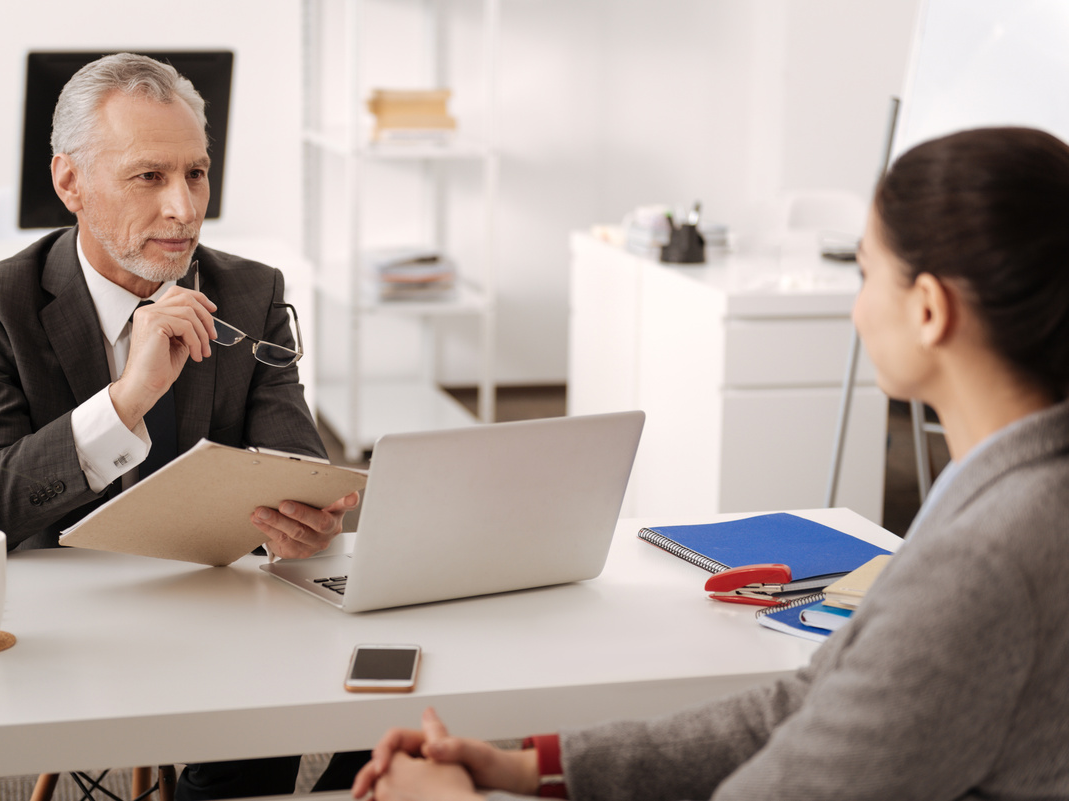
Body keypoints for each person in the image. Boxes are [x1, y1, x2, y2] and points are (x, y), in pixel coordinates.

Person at [351, 126, 1069, 801]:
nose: (854, 309)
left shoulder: (983, 562)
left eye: (864, 272)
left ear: (928, 309)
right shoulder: (1016, 489)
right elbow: (808, 702)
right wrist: (531, 766)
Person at [0, 53, 366, 797]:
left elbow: (295, 461)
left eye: (195, 173)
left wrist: (305, 518)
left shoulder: (248, 290)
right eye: (149, 177)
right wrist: (125, 399)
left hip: (222, 606)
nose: (184, 208)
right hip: (74, 618)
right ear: (70, 182)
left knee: (385, 719)